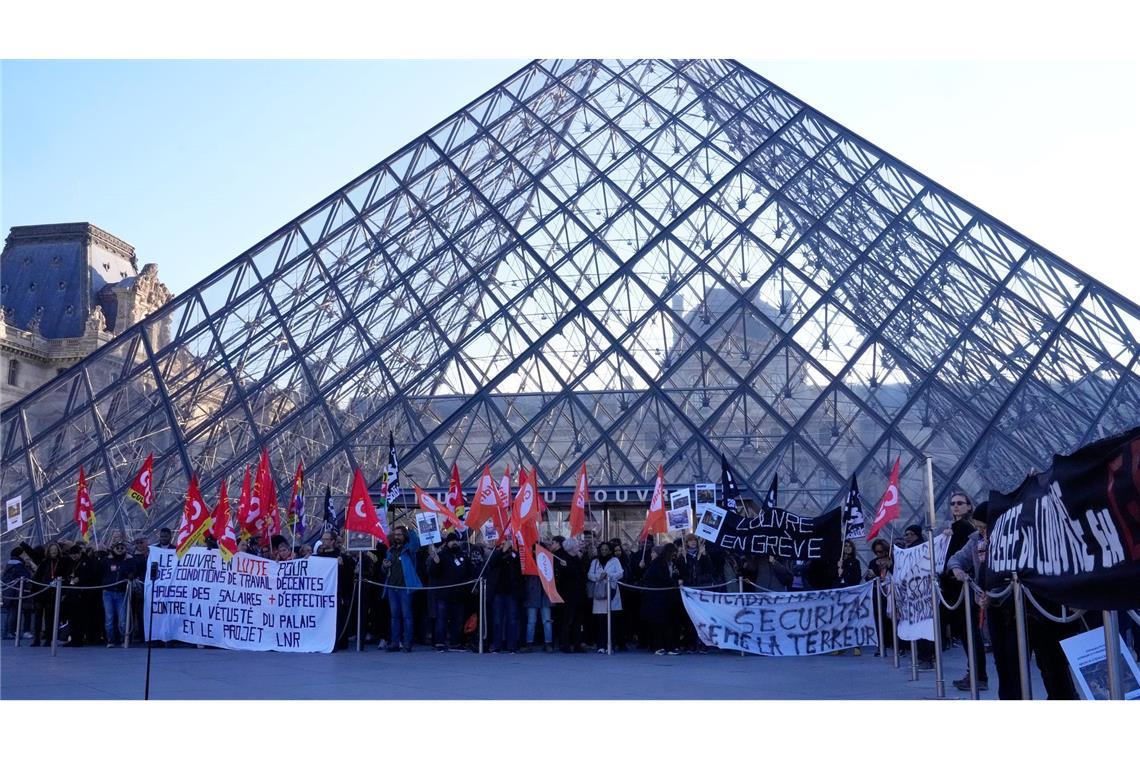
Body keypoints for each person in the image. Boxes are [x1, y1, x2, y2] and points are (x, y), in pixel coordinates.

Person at [426, 531, 474, 652]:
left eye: (456, 541)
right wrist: (435, 563)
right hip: (444, 594)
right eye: (452, 541)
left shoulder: (463, 555)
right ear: (447, 543)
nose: (454, 543)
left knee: (457, 620)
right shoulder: (441, 555)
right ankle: (440, 642)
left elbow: (470, 572)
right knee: (441, 619)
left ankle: (455, 643)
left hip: (459, 595)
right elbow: (433, 573)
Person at [380, 525, 422, 652]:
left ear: (404, 536)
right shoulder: (390, 551)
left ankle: (407, 642)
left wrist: (410, 529)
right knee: (394, 616)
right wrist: (384, 566)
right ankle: (395, 642)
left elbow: (416, 543)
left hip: (405, 587)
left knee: (407, 615)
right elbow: (384, 569)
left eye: (399, 534)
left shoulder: (409, 550)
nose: (397, 537)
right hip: (392, 587)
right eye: (395, 534)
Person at [640, 543, 682, 655]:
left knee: (666, 622)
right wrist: (675, 582)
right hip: (657, 597)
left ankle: (668, 646)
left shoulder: (667, 564)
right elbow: (661, 578)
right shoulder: (657, 564)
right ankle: (659, 646)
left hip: (664, 597)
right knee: (659, 622)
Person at [487, 536, 524, 653]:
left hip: (511, 592)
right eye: (503, 543)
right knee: (497, 620)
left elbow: (519, 569)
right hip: (498, 592)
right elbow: (492, 564)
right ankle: (497, 645)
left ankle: (512, 646)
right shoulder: (496, 554)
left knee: (512, 619)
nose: (505, 545)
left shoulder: (515, 555)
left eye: (507, 543)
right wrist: (502, 551)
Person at [31, 542, 72, 647]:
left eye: (55, 549)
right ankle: (36, 638)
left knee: (49, 617)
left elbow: (66, 577)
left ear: (58, 550)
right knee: (38, 616)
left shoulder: (63, 562)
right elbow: (37, 577)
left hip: (52, 593)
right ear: (48, 551)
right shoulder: (44, 562)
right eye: (51, 549)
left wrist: (63, 592)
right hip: (41, 592)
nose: (53, 551)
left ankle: (48, 639)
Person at [551, 535, 587, 653]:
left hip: (579, 594)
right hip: (567, 595)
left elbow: (582, 575)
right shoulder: (563, 560)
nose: (578, 547)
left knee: (578, 621)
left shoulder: (577, 559)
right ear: (571, 547)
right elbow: (562, 577)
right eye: (576, 545)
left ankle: (577, 643)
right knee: (566, 621)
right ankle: (565, 644)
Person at [587, 541, 623, 653]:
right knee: (601, 621)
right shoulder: (595, 562)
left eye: (606, 549)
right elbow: (589, 575)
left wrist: (609, 576)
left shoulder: (615, 561)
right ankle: (601, 645)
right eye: (602, 550)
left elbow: (621, 573)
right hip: (599, 593)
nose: (604, 552)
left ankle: (610, 644)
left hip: (611, 591)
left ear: (610, 550)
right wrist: (599, 577)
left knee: (611, 621)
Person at [99, 540, 137, 647]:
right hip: (108, 592)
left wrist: (131, 574)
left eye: (122, 548)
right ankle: (110, 640)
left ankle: (123, 639)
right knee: (109, 618)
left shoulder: (129, 560)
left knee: (122, 619)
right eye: (117, 548)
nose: (120, 550)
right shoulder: (107, 560)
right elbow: (100, 571)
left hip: (121, 592)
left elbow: (134, 570)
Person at [832, 540, 864, 656]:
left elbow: (856, 578)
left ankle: (856, 646)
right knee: (839, 620)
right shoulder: (838, 562)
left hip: (850, 593)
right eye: (845, 546)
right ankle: (839, 645)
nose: (847, 548)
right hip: (839, 594)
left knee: (852, 619)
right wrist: (837, 570)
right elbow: (832, 578)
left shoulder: (855, 562)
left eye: (850, 546)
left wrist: (844, 571)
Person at [522, 544, 554, 653]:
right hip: (532, 594)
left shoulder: (548, 560)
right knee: (531, 621)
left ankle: (548, 643)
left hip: (545, 594)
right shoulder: (529, 562)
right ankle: (529, 643)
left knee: (547, 621)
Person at [2, 548, 33, 640]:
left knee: (9, 613)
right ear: (20, 554)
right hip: (15, 592)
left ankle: (6, 632)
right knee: (14, 613)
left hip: (8, 592)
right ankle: (10, 632)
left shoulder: (9, 564)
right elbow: (26, 577)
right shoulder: (18, 565)